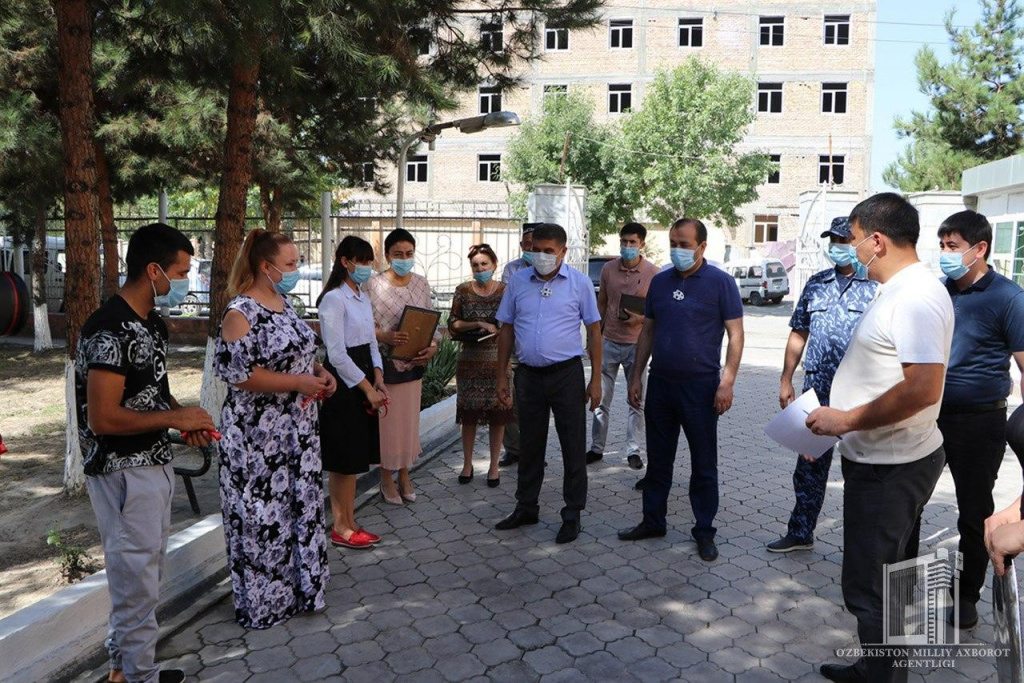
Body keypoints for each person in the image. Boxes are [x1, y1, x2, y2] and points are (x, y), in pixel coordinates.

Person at [806, 193, 954, 683]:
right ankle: (880, 668)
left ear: (876, 240)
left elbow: (922, 387)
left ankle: (884, 676)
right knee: (894, 578)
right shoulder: (898, 290)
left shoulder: (915, 296)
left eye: (852, 239)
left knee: (872, 583)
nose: (848, 249)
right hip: (887, 457)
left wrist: (845, 420)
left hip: (890, 466)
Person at [76, 222, 216, 683]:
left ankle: (124, 671)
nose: (185, 281)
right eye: (181, 271)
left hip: (153, 462)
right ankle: (138, 676)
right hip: (120, 471)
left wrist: (184, 420)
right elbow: (104, 418)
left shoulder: (151, 323)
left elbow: (155, 393)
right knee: (134, 577)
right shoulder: (108, 328)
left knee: (146, 571)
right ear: (154, 270)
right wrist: (175, 420)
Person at [214, 229, 336, 629]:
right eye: (290, 265)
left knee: (298, 510)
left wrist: (320, 373)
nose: (296, 270)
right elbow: (240, 374)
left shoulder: (283, 303)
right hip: (257, 438)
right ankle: (266, 603)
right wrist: (298, 383)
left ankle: (301, 591)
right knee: (262, 518)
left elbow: (299, 354)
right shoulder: (240, 313)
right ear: (265, 267)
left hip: (297, 433)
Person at [617, 218, 744, 564]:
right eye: (674, 242)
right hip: (661, 384)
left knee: (703, 463)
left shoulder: (721, 283)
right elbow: (648, 331)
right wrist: (636, 375)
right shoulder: (659, 283)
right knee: (659, 460)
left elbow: (735, 334)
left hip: (701, 387)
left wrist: (727, 380)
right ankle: (652, 521)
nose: (678, 249)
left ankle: (704, 531)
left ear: (702, 247)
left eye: (685, 244)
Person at [933, 210, 1024, 628]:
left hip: (979, 424)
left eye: (952, 247)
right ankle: (899, 589)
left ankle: (967, 596)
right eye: (942, 246)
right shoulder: (938, 293)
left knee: (973, 513)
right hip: (928, 418)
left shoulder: (1008, 297)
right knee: (908, 505)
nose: (945, 255)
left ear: (980, 248)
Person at [769, 217, 877, 553]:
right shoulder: (816, 284)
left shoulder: (876, 286)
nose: (837, 247)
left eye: (844, 240)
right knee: (808, 466)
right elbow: (799, 332)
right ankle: (801, 532)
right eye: (832, 240)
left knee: (863, 469)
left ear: (857, 243)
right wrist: (786, 378)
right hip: (816, 391)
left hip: (860, 395)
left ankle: (865, 547)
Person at [494, 223, 602, 544]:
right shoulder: (517, 282)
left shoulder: (579, 284)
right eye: (535, 249)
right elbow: (506, 329)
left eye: (547, 251)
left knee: (572, 445)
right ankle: (526, 506)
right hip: (527, 376)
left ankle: (572, 513)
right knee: (529, 445)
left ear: (562, 252)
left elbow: (594, 330)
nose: (540, 256)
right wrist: (502, 374)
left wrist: (596, 379)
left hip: (566, 374)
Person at [317, 236, 388, 550]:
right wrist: (365, 388)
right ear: (344, 261)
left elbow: (371, 342)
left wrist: (378, 377)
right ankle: (340, 526)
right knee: (343, 460)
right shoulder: (334, 298)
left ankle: (350, 521)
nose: (366, 267)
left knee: (356, 457)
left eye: (369, 261)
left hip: (364, 377)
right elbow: (336, 354)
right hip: (343, 384)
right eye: (360, 260)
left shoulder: (361, 296)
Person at [367, 228, 439, 504]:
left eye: (409, 254)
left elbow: (430, 321)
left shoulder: (421, 283)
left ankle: (406, 474)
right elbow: (363, 327)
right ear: (386, 255)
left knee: (409, 423)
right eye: (398, 254)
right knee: (388, 424)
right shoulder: (373, 285)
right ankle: (386, 478)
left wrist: (432, 348)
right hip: (384, 365)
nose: (404, 259)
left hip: (415, 363)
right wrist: (383, 335)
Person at [586, 222, 660, 470]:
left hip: (637, 346)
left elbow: (657, 313)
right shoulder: (608, 269)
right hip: (608, 342)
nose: (627, 246)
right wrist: (593, 338)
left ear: (642, 244)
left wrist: (641, 319)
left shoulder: (654, 273)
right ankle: (597, 448)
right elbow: (602, 304)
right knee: (600, 400)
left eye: (633, 242)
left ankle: (633, 450)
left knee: (636, 401)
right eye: (624, 241)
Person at [448, 244, 514, 486]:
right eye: (475, 265)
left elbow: (513, 322)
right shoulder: (463, 291)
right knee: (469, 416)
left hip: (499, 360)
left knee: (498, 416)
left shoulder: (506, 291)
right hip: (469, 361)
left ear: (494, 265)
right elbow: (453, 323)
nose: (480, 269)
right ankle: (467, 464)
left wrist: (499, 329)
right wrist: (477, 323)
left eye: (484, 264)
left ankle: (494, 466)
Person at [497, 222, 540, 469]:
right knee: (509, 402)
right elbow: (509, 304)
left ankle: (534, 453)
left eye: (535, 246)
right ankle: (513, 449)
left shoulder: (551, 270)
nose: (531, 249)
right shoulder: (512, 270)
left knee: (532, 408)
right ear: (521, 246)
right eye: (527, 245)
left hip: (535, 348)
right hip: (513, 347)